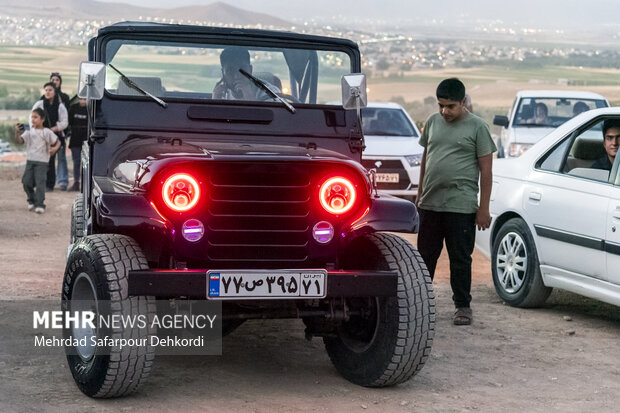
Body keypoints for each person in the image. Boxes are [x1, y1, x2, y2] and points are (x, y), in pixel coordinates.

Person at [416, 78, 496, 326]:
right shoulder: (431, 122)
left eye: (450, 106)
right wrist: (419, 196)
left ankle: (462, 306)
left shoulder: (478, 127)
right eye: (440, 105)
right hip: (430, 204)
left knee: (460, 259)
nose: (444, 112)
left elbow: (486, 171)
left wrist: (483, 209)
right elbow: (426, 160)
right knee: (424, 257)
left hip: (461, 206)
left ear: (463, 102)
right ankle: (419, 304)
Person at [14, 108, 60, 214]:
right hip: (30, 160)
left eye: (36, 117)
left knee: (40, 183)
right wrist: (17, 132)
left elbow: (57, 142)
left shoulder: (46, 132)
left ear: (42, 119)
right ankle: (32, 200)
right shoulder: (29, 132)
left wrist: (54, 148)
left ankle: (40, 204)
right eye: (32, 117)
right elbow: (19, 142)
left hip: (42, 162)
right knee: (26, 182)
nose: (33, 119)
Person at [33, 82, 68, 191]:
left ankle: (49, 185)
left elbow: (64, 122)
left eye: (50, 90)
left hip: (54, 136)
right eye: (46, 90)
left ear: (55, 92)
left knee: (51, 161)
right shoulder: (39, 104)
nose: (47, 92)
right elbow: (32, 118)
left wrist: (53, 129)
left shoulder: (60, 106)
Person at [212, 47, 278, 100]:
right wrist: (215, 101)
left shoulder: (270, 92)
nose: (236, 76)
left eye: (242, 70)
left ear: (250, 70)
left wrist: (250, 98)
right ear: (223, 73)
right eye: (230, 71)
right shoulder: (221, 95)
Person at [68, 98, 88, 191]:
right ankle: (76, 182)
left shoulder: (91, 109)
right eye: (81, 99)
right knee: (76, 162)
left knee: (87, 164)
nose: (83, 101)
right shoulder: (73, 108)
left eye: (85, 99)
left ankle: (86, 185)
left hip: (86, 140)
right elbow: (68, 122)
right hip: (75, 139)